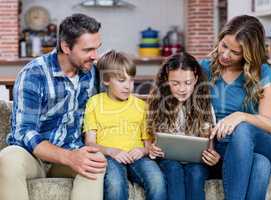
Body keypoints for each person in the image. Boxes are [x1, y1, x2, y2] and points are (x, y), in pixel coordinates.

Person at [0, 13, 106, 200]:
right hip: (33, 157)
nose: (94, 56)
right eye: (88, 50)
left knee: (95, 162)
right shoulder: (34, 74)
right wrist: (68, 157)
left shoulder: (92, 73)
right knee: (8, 158)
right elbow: (24, 132)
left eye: (97, 49)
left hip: (71, 151)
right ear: (66, 47)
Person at [199, 15, 271, 199]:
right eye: (224, 46)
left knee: (243, 129)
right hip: (225, 148)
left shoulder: (262, 72)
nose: (225, 55)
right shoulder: (205, 68)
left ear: (249, 52)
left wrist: (240, 116)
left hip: (265, 146)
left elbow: (268, 123)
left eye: (235, 52)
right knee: (260, 165)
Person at [83, 50, 166, 200]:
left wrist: (142, 150)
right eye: (122, 80)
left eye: (131, 80)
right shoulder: (94, 103)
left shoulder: (141, 106)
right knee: (115, 184)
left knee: (157, 180)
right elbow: (89, 143)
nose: (128, 86)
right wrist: (111, 151)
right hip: (109, 157)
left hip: (138, 158)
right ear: (106, 80)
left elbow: (149, 145)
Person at [147, 52, 221, 200]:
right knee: (173, 169)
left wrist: (213, 157)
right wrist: (152, 148)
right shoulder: (157, 103)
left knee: (196, 173)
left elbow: (209, 144)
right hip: (169, 160)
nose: (182, 89)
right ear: (166, 80)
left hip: (196, 162)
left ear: (196, 79)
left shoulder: (205, 105)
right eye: (175, 83)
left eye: (187, 83)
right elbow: (151, 139)